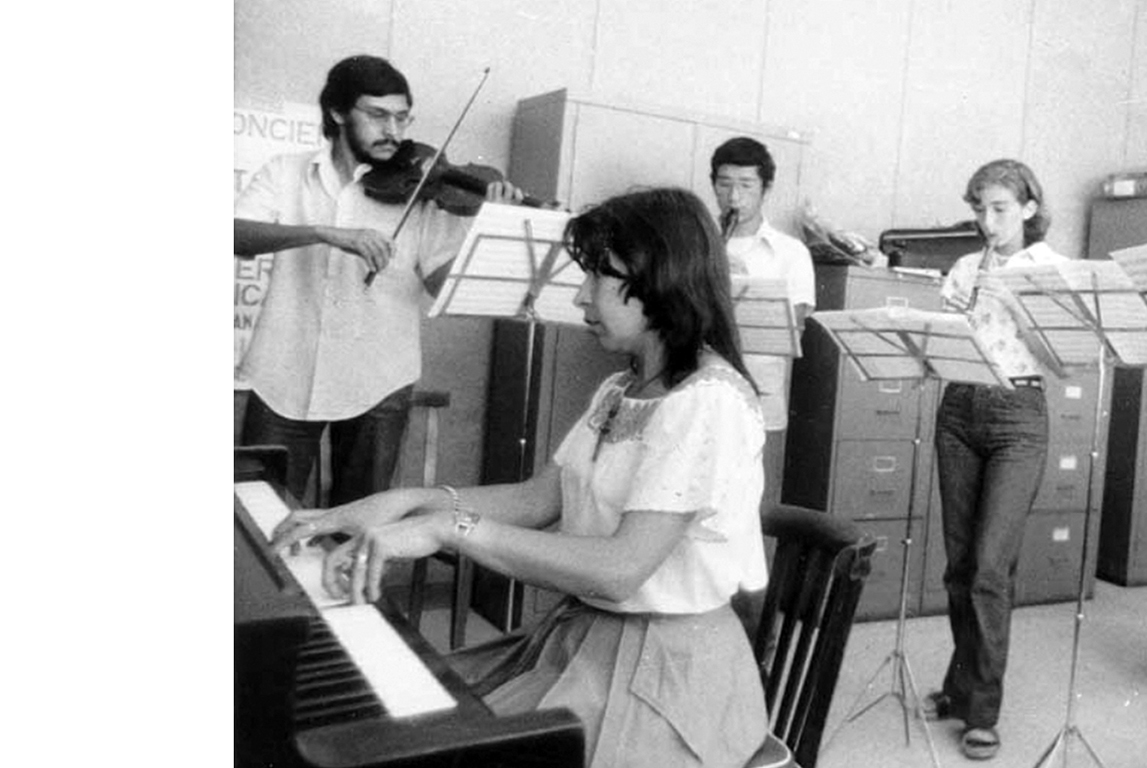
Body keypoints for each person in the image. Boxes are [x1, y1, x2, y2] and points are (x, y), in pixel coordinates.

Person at [271, 188, 772, 768]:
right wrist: (400, 502)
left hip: (667, 670)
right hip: (588, 638)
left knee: (431, 750)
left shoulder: (707, 401)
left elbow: (619, 570)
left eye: (598, 279)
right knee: (404, 719)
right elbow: (540, 499)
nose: (581, 296)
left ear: (660, 279)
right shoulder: (621, 389)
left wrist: (449, 528)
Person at [234, 54, 524, 506]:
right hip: (283, 376)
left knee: (359, 524)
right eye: (378, 115)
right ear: (336, 112)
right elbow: (237, 236)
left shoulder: (425, 191)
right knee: (261, 513)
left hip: (378, 383)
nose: (394, 130)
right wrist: (323, 232)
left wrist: (488, 225)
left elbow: (442, 284)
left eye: (402, 117)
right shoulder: (285, 172)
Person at [920, 159, 1068, 761]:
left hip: (1017, 412)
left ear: (1030, 208)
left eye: (1000, 208)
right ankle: (960, 689)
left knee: (988, 567)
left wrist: (1018, 301)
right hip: (959, 408)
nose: (987, 220)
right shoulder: (963, 266)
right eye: (980, 208)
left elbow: (1062, 359)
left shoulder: (1052, 268)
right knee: (959, 565)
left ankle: (981, 709)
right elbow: (942, 343)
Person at [710, 136, 815, 510]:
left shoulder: (791, 252)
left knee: (750, 513)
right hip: (695, 392)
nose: (734, 198)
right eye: (724, 185)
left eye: (745, 185)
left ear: (765, 188)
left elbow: (793, 330)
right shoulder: (696, 246)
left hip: (758, 399)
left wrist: (744, 287)